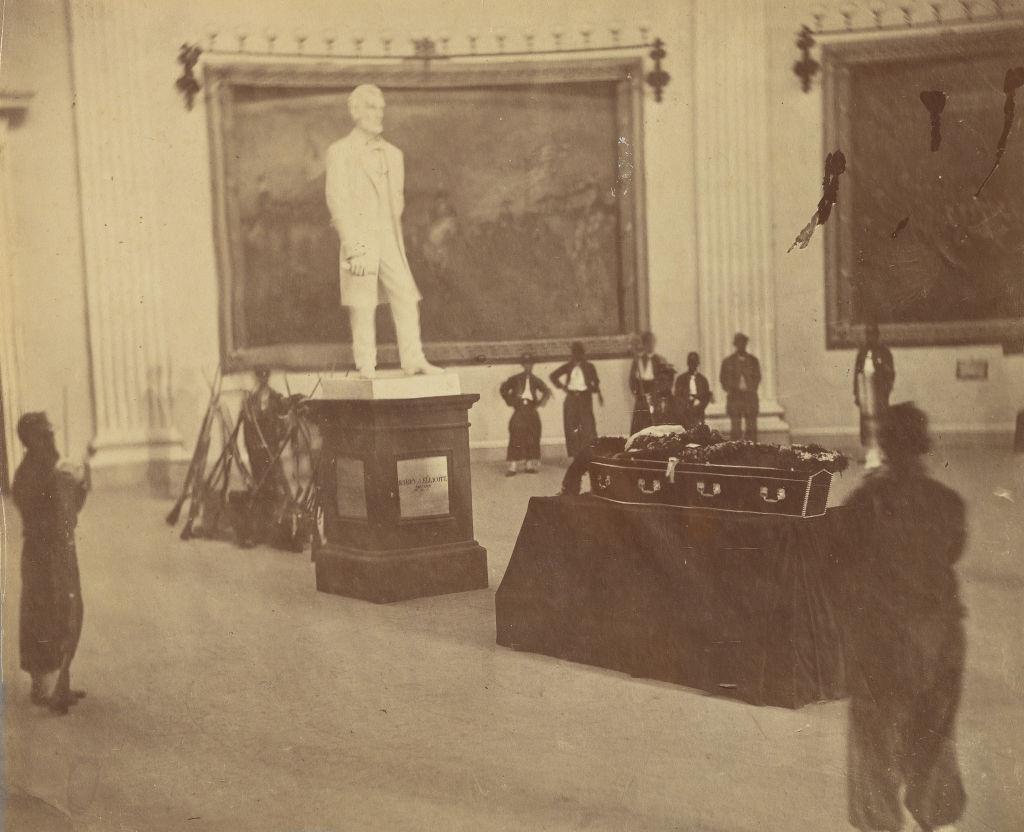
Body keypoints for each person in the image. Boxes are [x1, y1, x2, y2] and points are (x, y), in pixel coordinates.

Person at [843, 403, 966, 832]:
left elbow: (839, 560)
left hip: (878, 642)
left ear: (884, 447)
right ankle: (934, 820)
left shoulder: (863, 504)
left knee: (874, 743)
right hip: (938, 640)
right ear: (924, 446)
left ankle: (880, 825)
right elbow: (951, 552)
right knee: (932, 738)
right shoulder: (949, 503)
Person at [325, 84, 442, 379]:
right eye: (371, 107)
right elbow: (336, 201)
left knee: (405, 293)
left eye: (381, 108)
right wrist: (353, 247)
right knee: (362, 303)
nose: (379, 114)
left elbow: (397, 200)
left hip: (388, 237)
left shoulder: (393, 154)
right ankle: (366, 366)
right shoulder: (339, 151)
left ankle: (414, 360)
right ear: (355, 112)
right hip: (359, 240)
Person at [11, 412, 89, 714]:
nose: (51, 439)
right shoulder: (27, 474)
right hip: (42, 556)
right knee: (45, 616)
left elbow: (71, 510)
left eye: (52, 433)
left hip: (62, 551)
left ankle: (62, 682)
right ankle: (44, 689)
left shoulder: (53, 469)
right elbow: (39, 515)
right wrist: (59, 482)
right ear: (32, 440)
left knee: (70, 611)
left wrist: (79, 481)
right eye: (46, 435)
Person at [549, 342, 603, 458]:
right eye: (575, 353)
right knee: (571, 427)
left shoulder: (589, 366)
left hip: (584, 398)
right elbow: (553, 376)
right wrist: (563, 387)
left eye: (580, 353)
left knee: (588, 428)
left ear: (583, 354)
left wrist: (596, 391)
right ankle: (575, 457)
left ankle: (590, 456)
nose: (577, 356)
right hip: (571, 399)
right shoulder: (568, 366)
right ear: (572, 354)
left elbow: (596, 381)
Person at [853, 322, 895, 470]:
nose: (870, 337)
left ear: (877, 335)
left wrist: (886, 389)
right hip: (865, 391)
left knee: (881, 421)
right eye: (867, 334)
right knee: (866, 422)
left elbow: (890, 373)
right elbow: (856, 373)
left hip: (879, 393)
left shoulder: (884, 352)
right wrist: (857, 393)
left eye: (872, 334)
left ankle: (882, 452)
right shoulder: (862, 353)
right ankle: (870, 452)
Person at [500, 355, 551, 476]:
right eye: (526, 364)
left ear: (533, 365)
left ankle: (529, 465)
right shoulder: (515, 378)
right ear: (523, 365)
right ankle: (512, 467)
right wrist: (511, 401)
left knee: (533, 434)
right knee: (516, 433)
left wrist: (540, 403)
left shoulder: (535, 379)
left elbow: (546, 390)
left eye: (531, 364)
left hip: (531, 408)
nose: (529, 366)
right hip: (520, 408)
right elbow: (503, 389)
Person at [719, 332, 761, 442]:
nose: (741, 345)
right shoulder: (728, 361)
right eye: (738, 343)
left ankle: (752, 454)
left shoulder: (753, 360)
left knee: (751, 428)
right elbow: (723, 379)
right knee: (736, 429)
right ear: (735, 344)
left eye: (743, 343)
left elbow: (757, 377)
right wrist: (732, 389)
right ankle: (736, 455)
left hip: (750, 398)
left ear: (746, 344)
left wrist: (751, 388)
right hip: (735, 398)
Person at [628, 331, 670, 435]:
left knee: (655, 421)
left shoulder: (659, 360)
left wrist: (658, 393)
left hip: (654, 394)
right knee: (640, 421)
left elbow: (666, 380)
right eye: (647, 343)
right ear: (643, 344)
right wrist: (636, 393)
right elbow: (632, 380)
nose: (650, 345)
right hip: (641, 394)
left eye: (652, 343)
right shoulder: (637, 360)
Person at [673, 351, 712, 429]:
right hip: (685, 411)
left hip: (698, 411)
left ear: (698, 364)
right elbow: (677, 395)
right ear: (688, 363)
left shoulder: (703, 380)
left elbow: (706, 396)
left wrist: (699, 405)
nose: (693, 365)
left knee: (699, 433)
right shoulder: (681, 379)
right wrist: (686, 405)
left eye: (695, 363)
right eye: (691, 362)